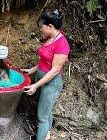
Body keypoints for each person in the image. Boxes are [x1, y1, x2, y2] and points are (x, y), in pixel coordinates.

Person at [21, 9, 70, 140]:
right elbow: (45, 58)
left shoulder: (62, 44)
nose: (40, 29)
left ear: (50, 26)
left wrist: (36, 85)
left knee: (42, 116)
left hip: (51, 84)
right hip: (41, 79)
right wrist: (32, 70)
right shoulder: (49, 37)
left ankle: (42, 136)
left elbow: (54, 70)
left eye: (42, 27)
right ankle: (47, 135)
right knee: (45, 111)